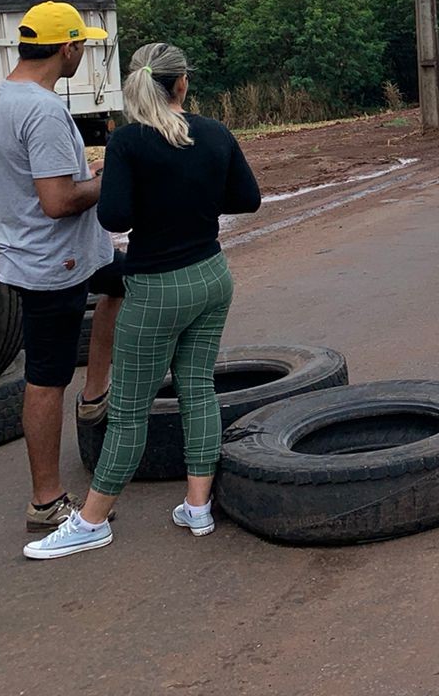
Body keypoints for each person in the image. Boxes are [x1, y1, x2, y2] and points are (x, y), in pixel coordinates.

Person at [25, 43, 261, 559]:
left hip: (157, 287)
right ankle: (198, 506)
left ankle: (91, 520)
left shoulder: (129, 143)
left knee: (129, 410)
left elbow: (114, 218)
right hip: (212, 276)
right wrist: (194, 197)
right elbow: (248, 199)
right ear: (181, 84)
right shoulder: (217, 132)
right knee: (198, 387)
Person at [0, 1, 123, 534]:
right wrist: (112, 180)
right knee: (45, 378)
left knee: (122, 280)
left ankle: (96, 394)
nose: (83, 52)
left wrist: (88, 174)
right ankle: (46, 500)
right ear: (68, 48)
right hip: (51, 262)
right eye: (82, 44)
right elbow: (58, 201)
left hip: (54, 253)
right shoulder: (42, 109)